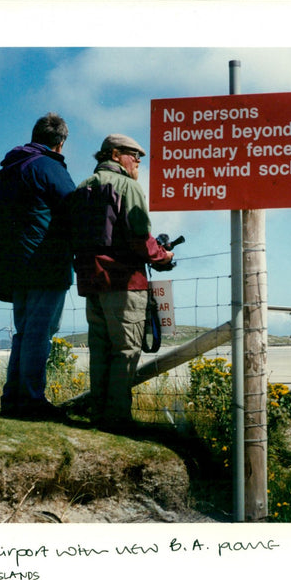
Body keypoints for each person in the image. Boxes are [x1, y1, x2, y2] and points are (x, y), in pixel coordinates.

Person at [68, 134, 173, 431]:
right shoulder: (128, 186)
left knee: (100, 351)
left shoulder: (81, 187)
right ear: (115, 154)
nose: (139, 160)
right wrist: (161, 256)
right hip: (124, 282)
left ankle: (98, 416)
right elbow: (139, 236)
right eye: (134, 154)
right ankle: (117, 419)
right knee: (126, 351)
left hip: (91, 281)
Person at [0, 112, 76, 418]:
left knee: (25, 332)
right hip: (45, 264)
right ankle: (31, 401)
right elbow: (74, 207)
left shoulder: (13, 167)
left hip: (16, 266)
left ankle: (13, 398)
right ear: (61, 142)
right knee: (40, 333)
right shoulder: (48, 166)